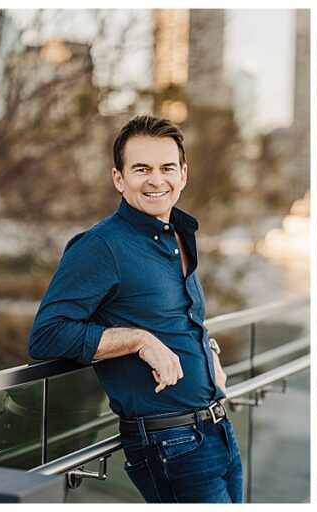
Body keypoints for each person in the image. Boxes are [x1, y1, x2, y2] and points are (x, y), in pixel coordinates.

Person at [28, 114, 243, 503]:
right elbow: (47, 335)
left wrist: (207, 350)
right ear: (119, 178)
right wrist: (139, 340)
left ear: (184, 174)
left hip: (217, 426)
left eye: (167, 168)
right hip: (169, 442)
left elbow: (178, 316)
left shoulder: (178, 234)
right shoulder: (100, 246)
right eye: (141, 169)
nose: (156, 180)